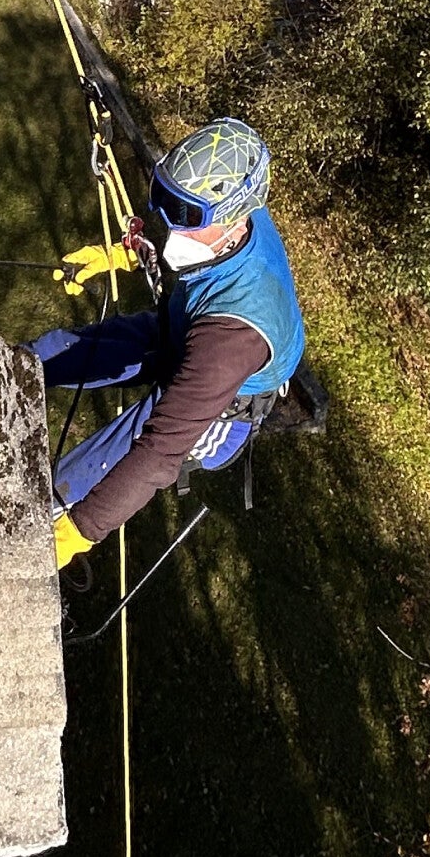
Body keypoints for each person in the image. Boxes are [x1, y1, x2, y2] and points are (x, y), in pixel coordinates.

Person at [36, 118, 306, 567]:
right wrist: (123, 254)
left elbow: (159, 454)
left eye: (186, 217)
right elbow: (180, 226)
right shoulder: (222, 220)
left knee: (89, 472)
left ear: (235, 219)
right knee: (53, 352)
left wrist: (78, 532)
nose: (172, 230)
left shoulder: (233, 338)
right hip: (182, 328)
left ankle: (44, 512)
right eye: (164, 200)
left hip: (223, 405)